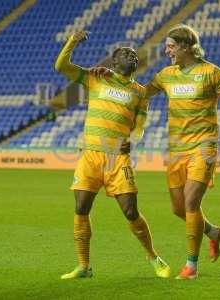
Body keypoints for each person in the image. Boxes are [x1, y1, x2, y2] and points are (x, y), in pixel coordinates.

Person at [92, 24, 220, 279]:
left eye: (171, 46)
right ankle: (212, 231)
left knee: (192, 203)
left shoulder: (211, 73)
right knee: (178, 208)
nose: (166, 50)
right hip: (176, 149)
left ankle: (191, 265)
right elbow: (138, 93)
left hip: (203, 147)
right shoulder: (166, 75)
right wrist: (112, 75)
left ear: (185, 47)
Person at [55, 31, 170, 279]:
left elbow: (140, 125)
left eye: (133, 54)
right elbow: (61, 66)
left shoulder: (140, 92)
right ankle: (84, 266)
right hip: (90, 155)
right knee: (81, 207)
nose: (131, 55)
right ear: (113, 62)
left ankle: (153, 256)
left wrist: (133, 140)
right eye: (124, 53)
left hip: (118, 158)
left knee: (130, 211)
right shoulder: (97, 79)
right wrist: (72, 42)